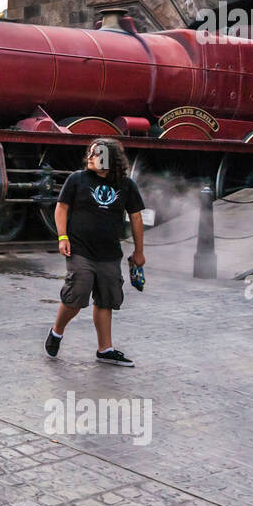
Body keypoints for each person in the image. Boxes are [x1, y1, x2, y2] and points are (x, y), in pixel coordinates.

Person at [45, 137, 146, 366]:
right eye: (90, 153)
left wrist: (139, 253)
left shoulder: (126, 184)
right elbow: (61, 208)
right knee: (77, 293)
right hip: (80, 249)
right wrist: (62, 237)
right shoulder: (77, 179)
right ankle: (56, 333)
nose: (91, 157)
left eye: (96, 154)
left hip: (110, 253)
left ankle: (105, 349)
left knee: (106, 298)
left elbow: (136, 217)